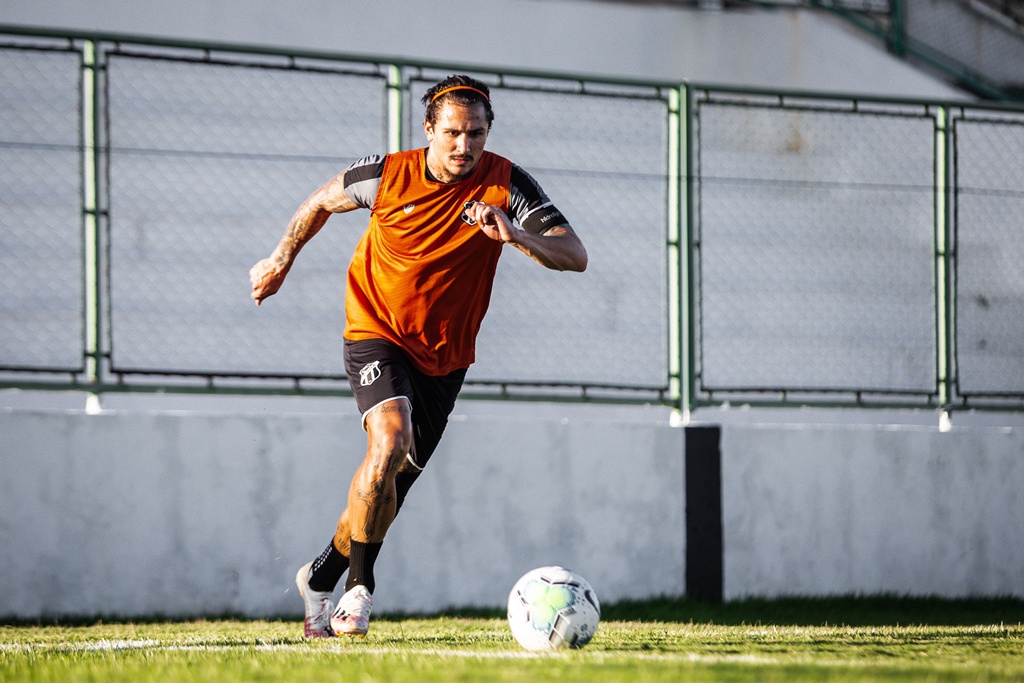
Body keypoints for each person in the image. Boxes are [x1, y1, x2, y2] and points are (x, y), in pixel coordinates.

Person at [249, 74, 587, 639]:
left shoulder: (506, 183)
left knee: (387, 484)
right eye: (452, 132)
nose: (464, 146)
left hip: (445, 359)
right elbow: (319, 202)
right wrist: (280, 260)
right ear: (429, 128)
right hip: (376, 330)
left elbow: (575, 254)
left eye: (475, 134)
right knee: (389, 439)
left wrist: (516, 236)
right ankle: (360, 590)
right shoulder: (386, 175)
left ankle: (320, 576)